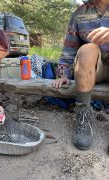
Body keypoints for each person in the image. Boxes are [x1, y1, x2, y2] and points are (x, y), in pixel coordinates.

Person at [52, 0, 109, 151]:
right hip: (93, 69)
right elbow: (69, 47)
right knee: (87, 49)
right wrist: (63, 74)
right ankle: (83, 116)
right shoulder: (80, 12)